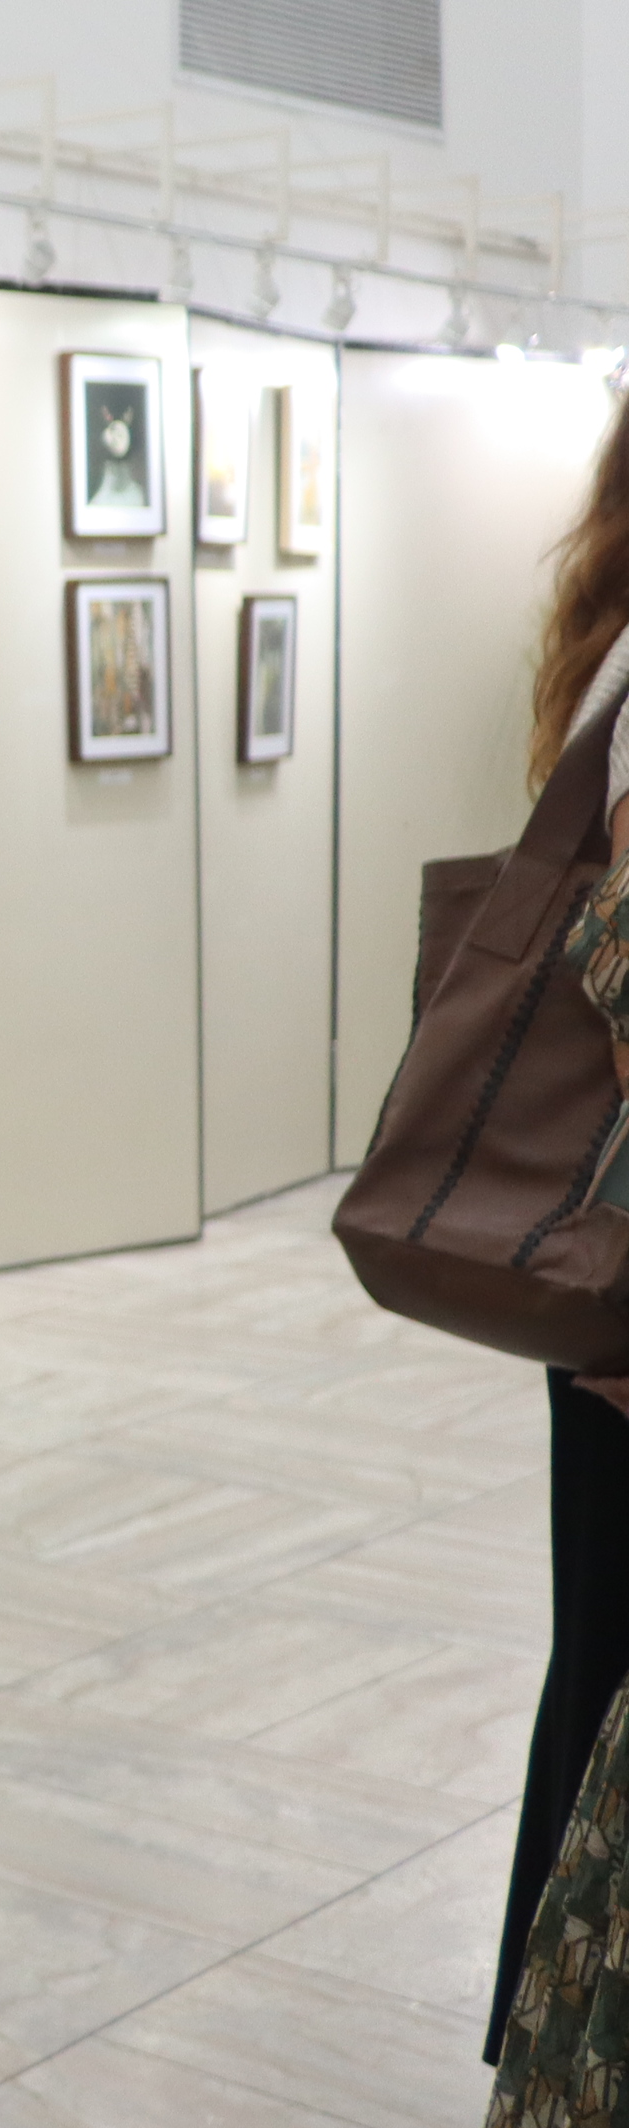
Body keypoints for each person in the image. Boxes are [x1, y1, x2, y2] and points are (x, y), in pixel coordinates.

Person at [487, 400, 629, 2069]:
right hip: (618, 1277)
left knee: (597, 1647)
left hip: (597, 1260)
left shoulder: (603, 660)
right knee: (606, 1668)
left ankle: (547, 2022)